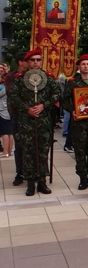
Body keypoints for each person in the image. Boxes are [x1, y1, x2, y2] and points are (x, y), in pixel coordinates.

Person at [10, 49, 61, 196]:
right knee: (28, 153)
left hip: (44, 122)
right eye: (32, 60)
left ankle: (42, 183)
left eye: (38, 60)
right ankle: (30, 184)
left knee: (43, 152)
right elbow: (14, 97)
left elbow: (56, 93)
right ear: (27, 62)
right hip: (26, 122)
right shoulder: (20, 79)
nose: (36, 63)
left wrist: (43, 105)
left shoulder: (49, 77)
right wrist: (27, 109)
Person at [63, 54, 88, 190]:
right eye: (83, 64)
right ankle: (82, 179)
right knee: (80, 151)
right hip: (78, 122)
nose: (85, 66)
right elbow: (65, 100)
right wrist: (72, 110)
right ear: (79, 66)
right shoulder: (72, 82)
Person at [5, 52, 28, 186]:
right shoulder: (11, 77)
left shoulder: (32, 75)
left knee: (32, 146)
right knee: (19, 146)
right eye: (27, 60)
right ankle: (20, 173)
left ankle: (33, 172)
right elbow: (13, 94)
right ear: (20, 62)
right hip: (17, 115)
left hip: (31, 116)